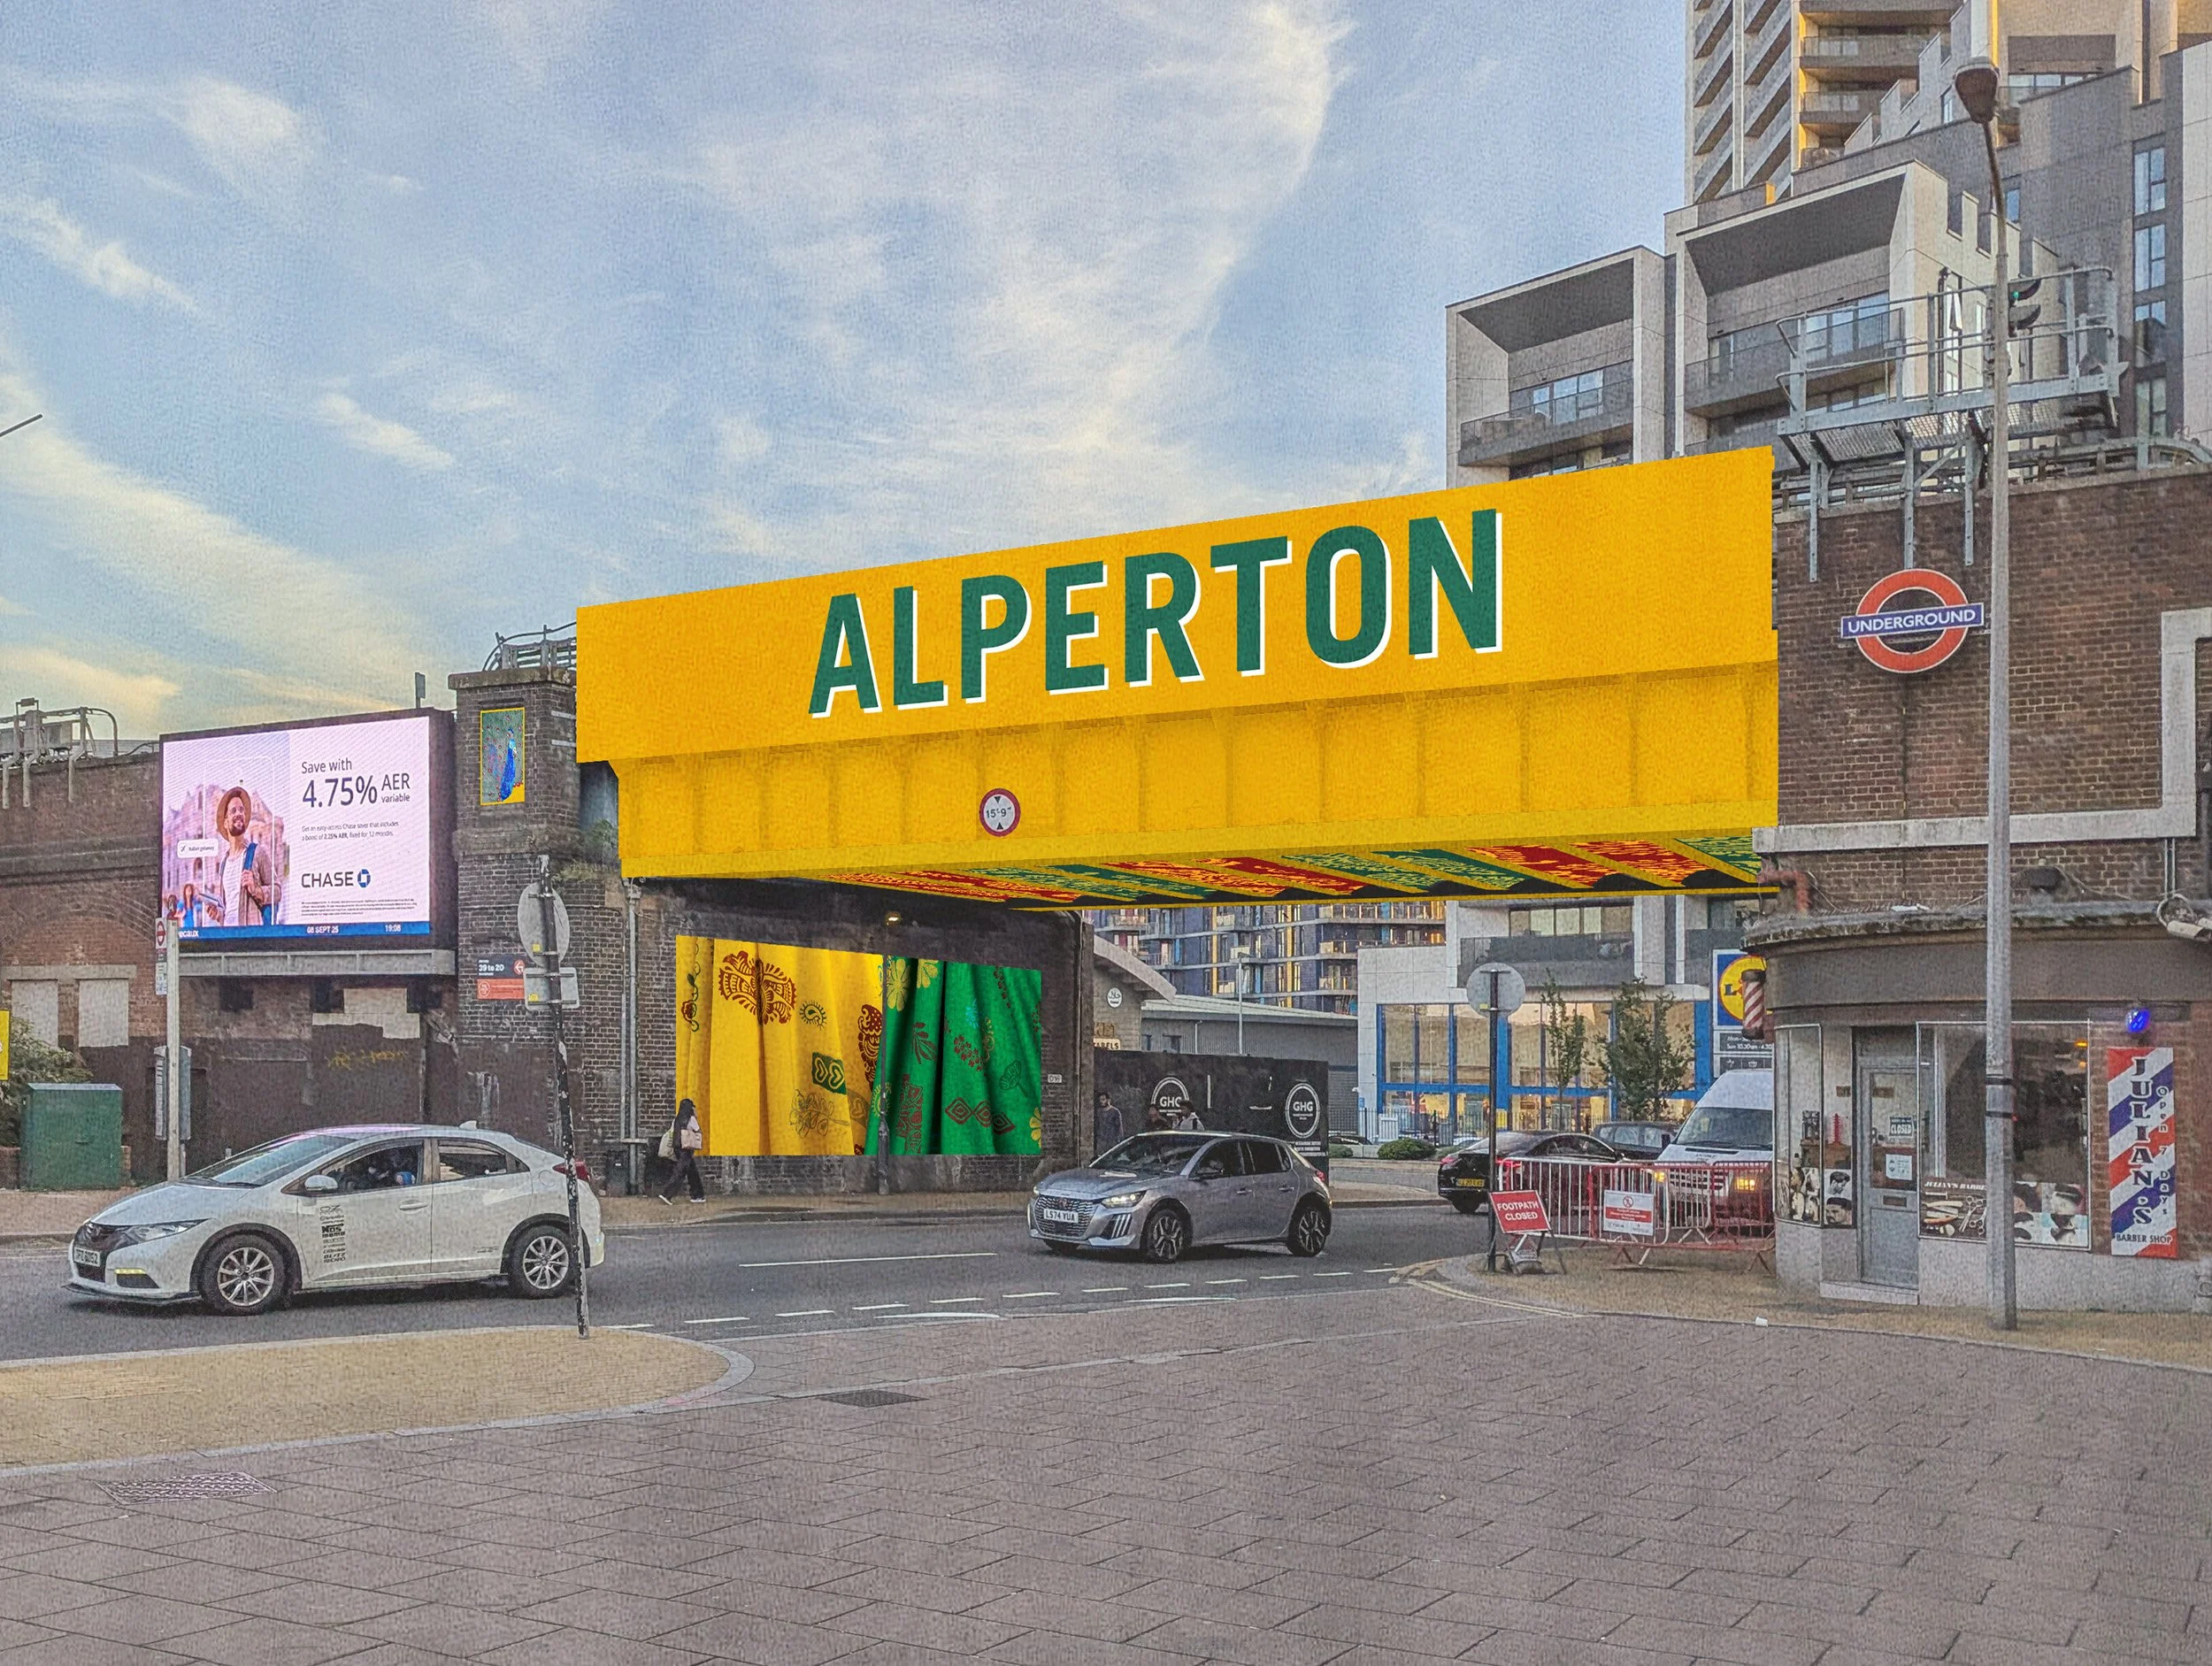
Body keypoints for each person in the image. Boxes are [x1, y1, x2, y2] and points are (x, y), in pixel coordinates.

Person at [212, 787, 272, 929]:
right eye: (233, 811)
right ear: (225, 823)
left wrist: (256, 889)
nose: (239, 813)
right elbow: (226, 909)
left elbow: (277, 891)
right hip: (227, 937)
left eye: (241, 810)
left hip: (250, 939)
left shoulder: (257, 852)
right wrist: (217, 914)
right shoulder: (224, 863)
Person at [659, 1099, 705, 1203]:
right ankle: (667, 1194)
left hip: (678, 1148)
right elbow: (698, 1130)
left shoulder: (677, 1119)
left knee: (692, 1172)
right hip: (687, 1149)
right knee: (680, 1172)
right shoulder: (691, 1119)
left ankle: (698, 1195)